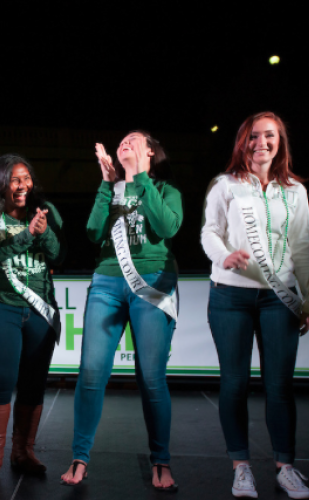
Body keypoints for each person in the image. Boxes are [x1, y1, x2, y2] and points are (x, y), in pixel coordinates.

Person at [201, 112, 309, 499]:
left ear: (280, 141)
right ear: (243, 142)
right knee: (234, 384)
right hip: (230, 296)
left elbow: (303, 248)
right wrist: (223, 256)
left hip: (279, 298)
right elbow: (209, 232)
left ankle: (286, 467)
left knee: (280, 386)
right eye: (253, 136)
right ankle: (241, 468)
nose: (261, 143)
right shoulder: (225, 186)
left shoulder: (295, 192)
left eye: (269, 136)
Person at [61, 132, 182, 491]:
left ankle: (161, 460)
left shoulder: (166, 189)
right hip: (108, 283)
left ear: (149, 151)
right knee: (91, 371)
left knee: (150, 377)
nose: (125, 141)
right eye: (122, 139)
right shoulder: (111, 191)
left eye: (134, 139)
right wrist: (105, 183)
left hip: (152, 282)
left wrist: (139, 177)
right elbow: (93, 231)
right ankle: (80, 456)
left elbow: (166, 227)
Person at [0, 154, 65, 486]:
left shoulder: (46, 210)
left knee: (34, 383)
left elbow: (57, 254)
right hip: (2, 305)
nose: (22, 184)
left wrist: (42, 231)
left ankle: (22, 451)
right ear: (1, 184)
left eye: (26, 178)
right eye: (14, 179)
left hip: (40, 309)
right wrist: (26, 234)